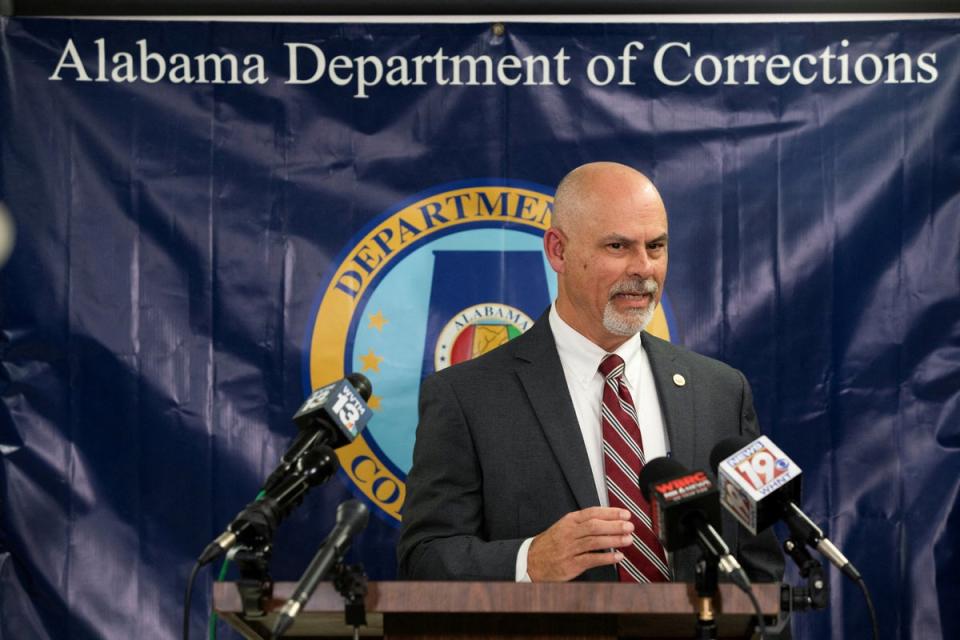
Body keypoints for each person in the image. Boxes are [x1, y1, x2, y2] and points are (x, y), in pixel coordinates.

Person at [397, 162, 784, 583]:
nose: (643, 268)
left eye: (655, 247)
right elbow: (425, 558)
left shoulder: (722, 391)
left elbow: (760, 569)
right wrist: (529, 561)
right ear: (558, 251)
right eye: (618, 247)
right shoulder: (467, 397)